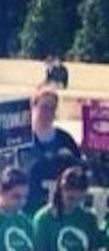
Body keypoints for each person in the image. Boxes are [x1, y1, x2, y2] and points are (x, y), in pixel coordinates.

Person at [20, 85, 81, 215]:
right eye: (44, 107)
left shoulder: (65, 139)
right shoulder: (21, 140)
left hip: (59, 208)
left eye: (52, 109)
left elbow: (78, 169)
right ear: (34, 107)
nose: (48, 113)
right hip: (30, 206)